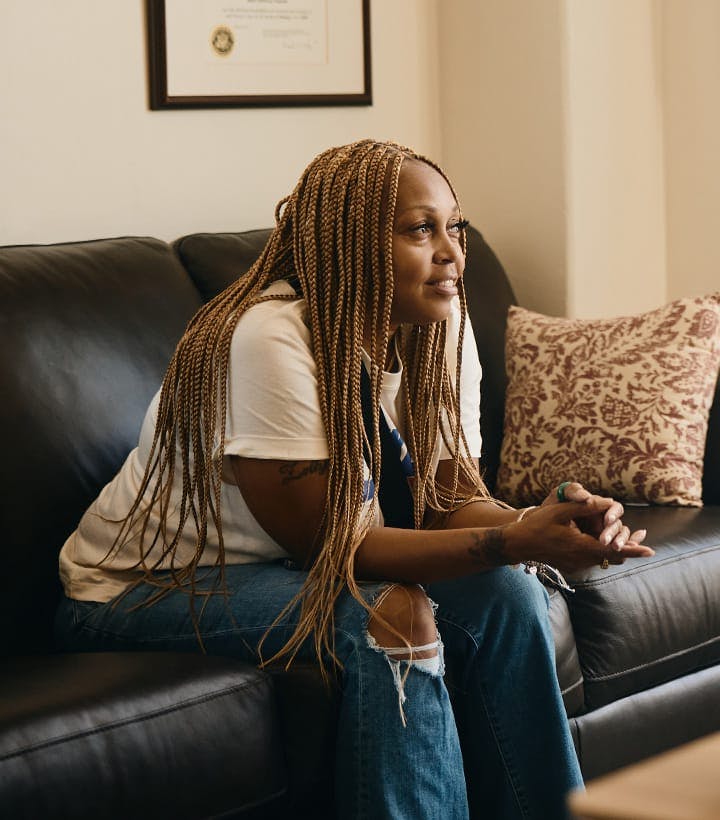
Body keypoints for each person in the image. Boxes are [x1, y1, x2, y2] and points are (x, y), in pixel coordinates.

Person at [54, 139, 653, 819]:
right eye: (421, 229)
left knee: (509, 597)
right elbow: (338, 548)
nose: (453, 251)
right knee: (391, 615)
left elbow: (450, 501)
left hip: (278, 566)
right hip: (144, 587)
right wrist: (517, 540)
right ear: (349, 244)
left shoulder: (440, 326)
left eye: (453, 225)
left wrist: (541, 523)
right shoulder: (268, 339)